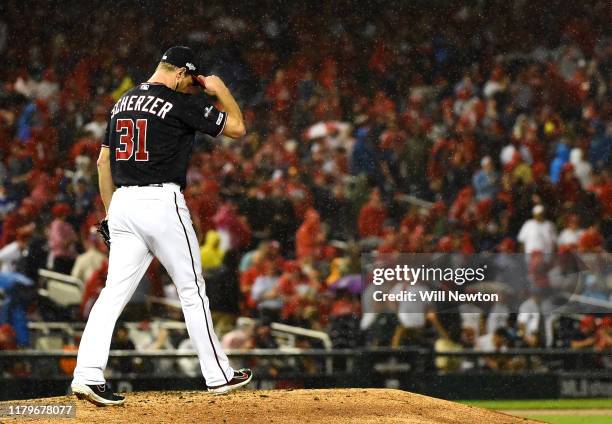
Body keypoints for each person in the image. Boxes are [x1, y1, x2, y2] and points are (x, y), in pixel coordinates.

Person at [72, 46, 251, 406]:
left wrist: (110, 213)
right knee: (191, 289)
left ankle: (87, 374)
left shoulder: (122, 102)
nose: (191, 89)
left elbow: (103, 161)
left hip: (122, 202)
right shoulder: (178, 101)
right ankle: (218, 374)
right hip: (161, 202)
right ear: (182, 73)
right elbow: (237, 128)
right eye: (191, 82)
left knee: (111, 294)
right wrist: (221, 91)